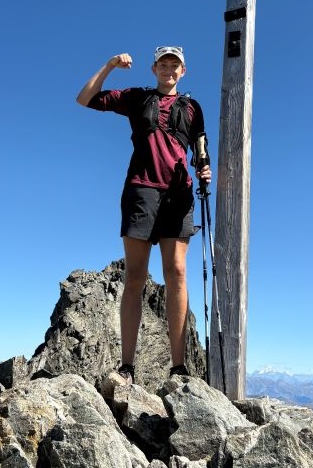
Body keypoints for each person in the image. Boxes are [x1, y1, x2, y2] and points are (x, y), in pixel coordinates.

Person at [76, 46, 212, 384]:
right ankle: (127, 367)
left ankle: (178, 368)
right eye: (163, 64)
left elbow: (201, 149)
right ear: (154, 68)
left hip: (178, 194)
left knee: (177, 272)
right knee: (135, 275)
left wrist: (205, 169)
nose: (169, 69)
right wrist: (108, 64)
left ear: (183, 71)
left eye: (175, 64)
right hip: (142, 190)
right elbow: (86, 98)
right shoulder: (137, 98)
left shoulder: (192, 108)